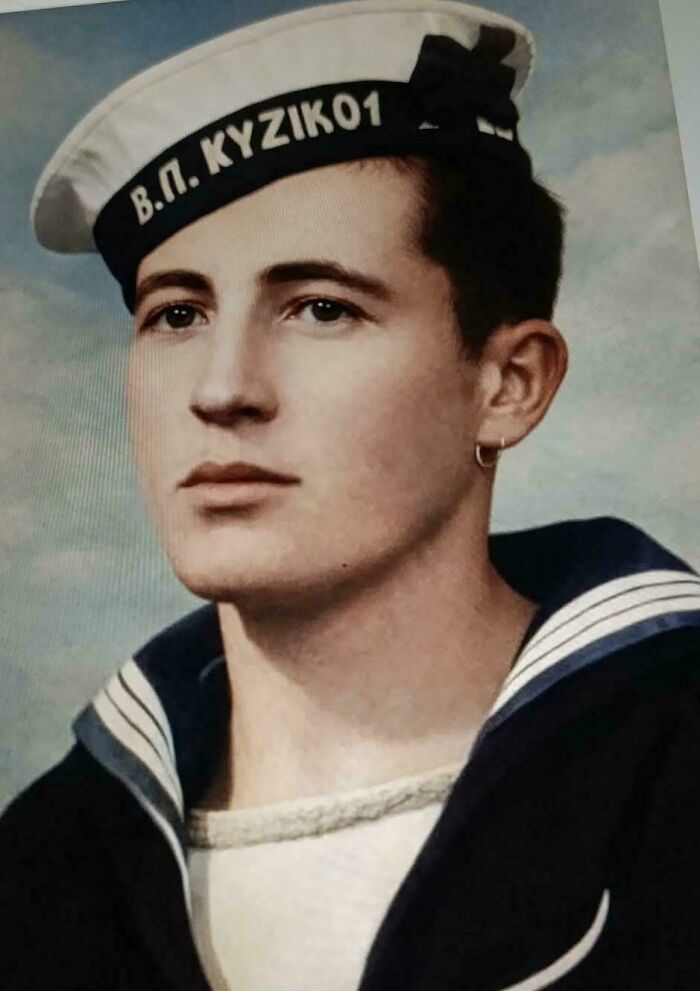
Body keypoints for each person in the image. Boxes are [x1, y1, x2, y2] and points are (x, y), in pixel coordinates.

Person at [3, 1, 700, 989]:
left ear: (507, 384)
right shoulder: (46, 862)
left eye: (321, 307)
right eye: (177, 313)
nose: (220, 386)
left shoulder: (669, 764)